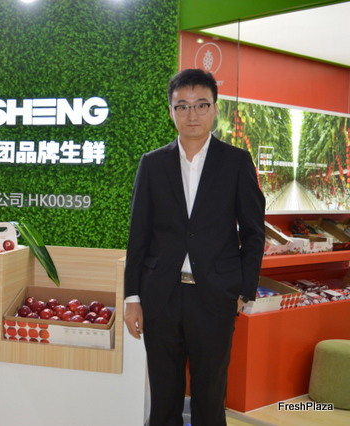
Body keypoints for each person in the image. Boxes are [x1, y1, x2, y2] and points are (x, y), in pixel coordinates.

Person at [123, 69, 265, 425]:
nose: (192, 115)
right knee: (164, 397)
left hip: (216, 296)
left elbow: (253, 232)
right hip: (161, 295)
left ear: (215, 108)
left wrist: (243, 290)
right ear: (170, 111)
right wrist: (132, 298)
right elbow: (138, 235)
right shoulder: (152, 163)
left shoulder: (236, 162)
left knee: (210, 396)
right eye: (182, 106)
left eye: (201, 105)